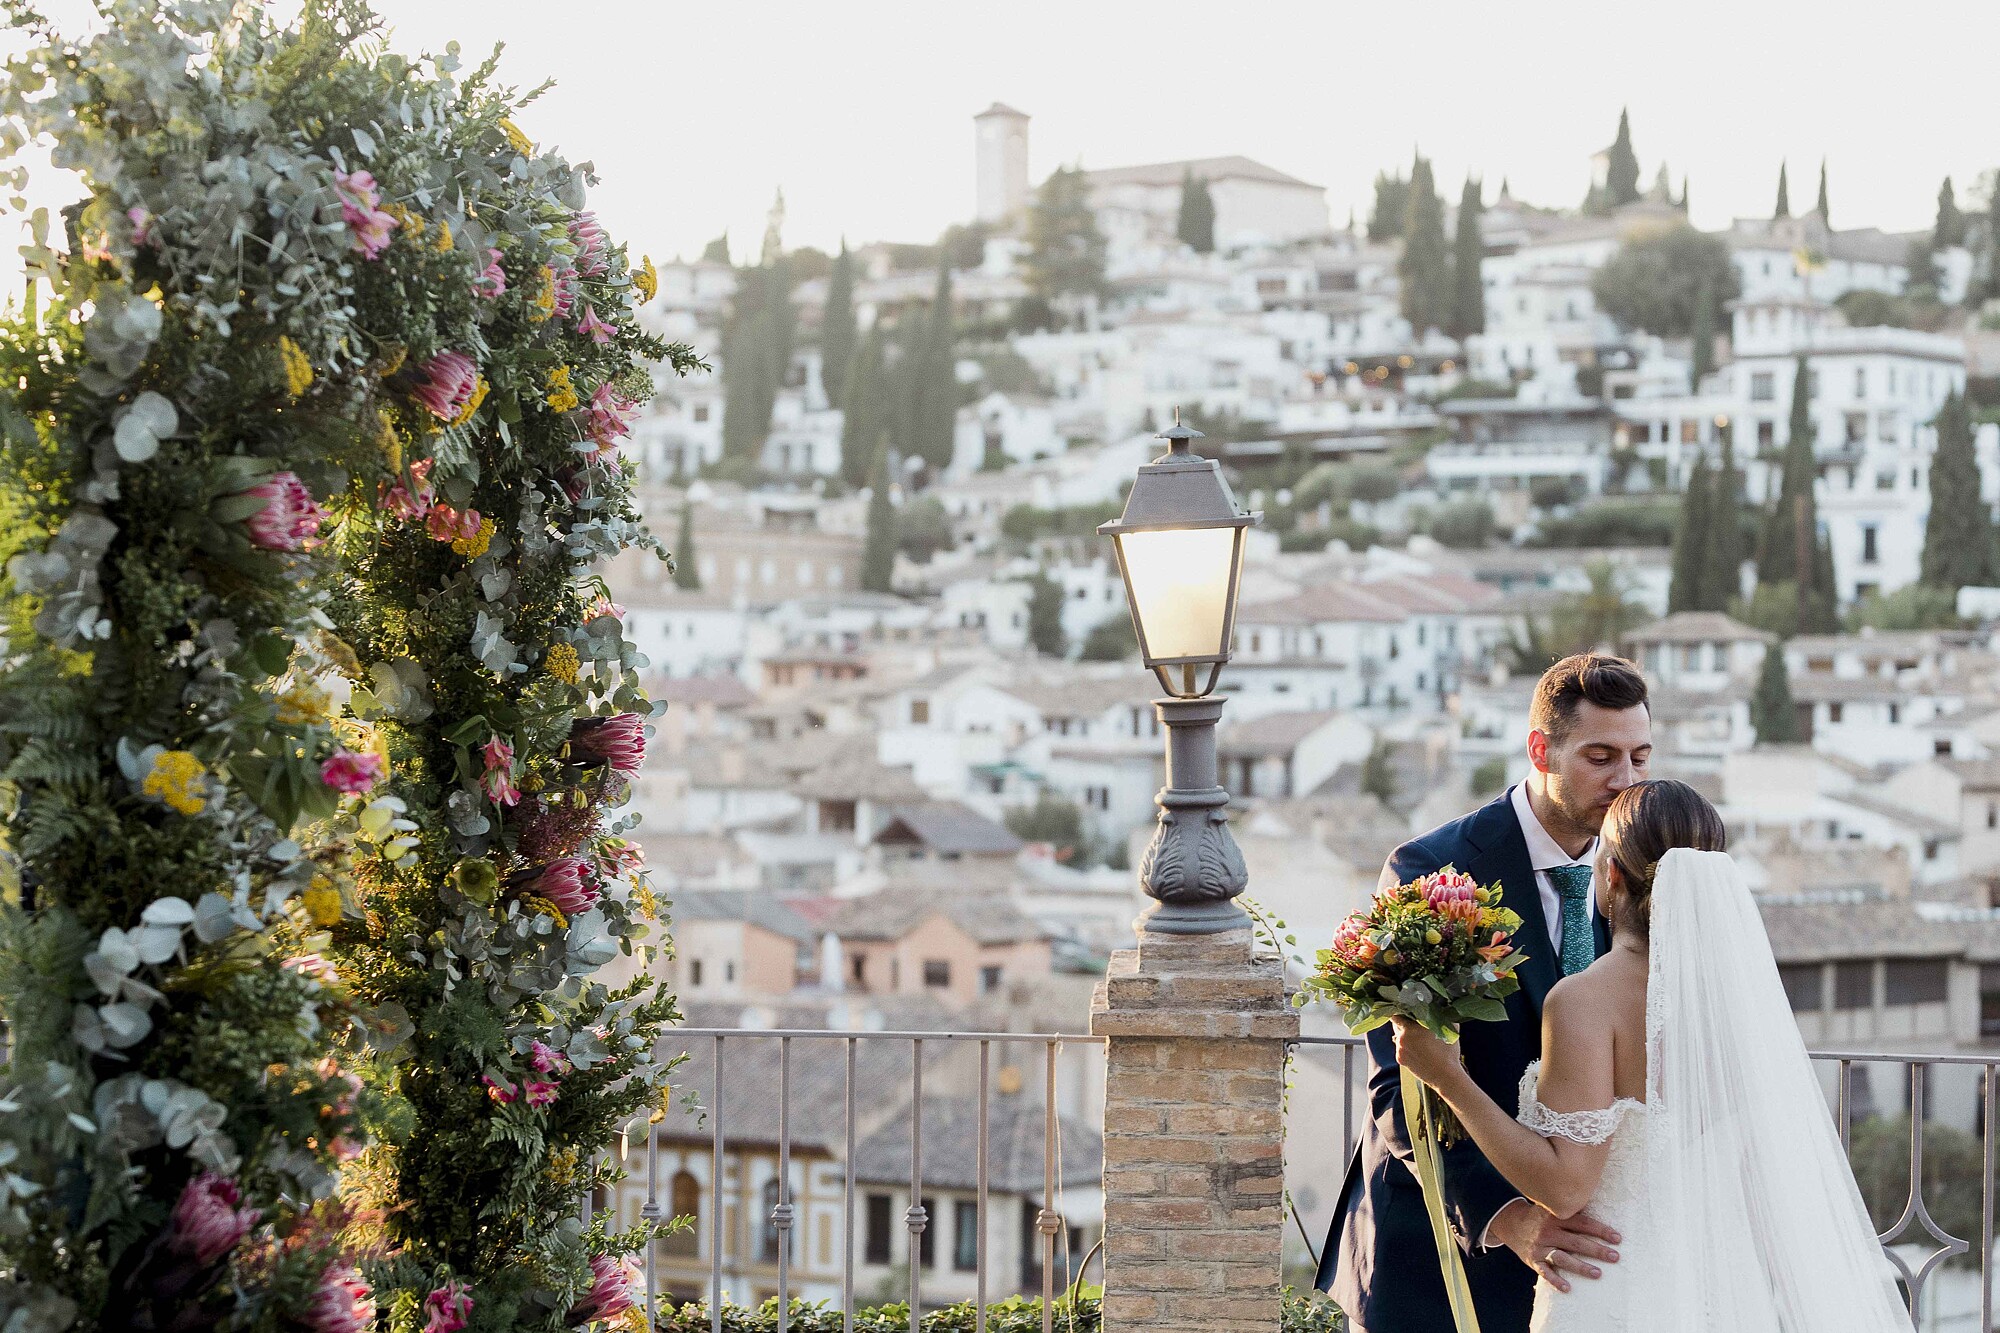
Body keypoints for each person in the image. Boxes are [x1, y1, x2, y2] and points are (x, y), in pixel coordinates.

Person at [1392, 780, 1907, 1331]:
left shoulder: (1585, 1001)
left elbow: (1565, 1187)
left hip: (1612, 1288)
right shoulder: (1740, 1002)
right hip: (1722, 1286)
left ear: (1610, 876)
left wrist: (1448, 1078)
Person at [1317, 653, 1650, 1333]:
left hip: (1587, 1265)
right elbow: (1399, 1086)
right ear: (1540, 748)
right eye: (1600, 755)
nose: (1626, 780)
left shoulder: (1650, 876)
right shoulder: (1430, 872)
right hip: (1434, 1257)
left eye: (1640, 757)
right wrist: (1514, 1219)